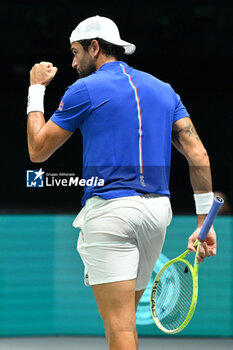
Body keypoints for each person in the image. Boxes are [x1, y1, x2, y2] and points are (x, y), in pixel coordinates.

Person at [27, 15, 217, 350]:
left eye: (76, 52)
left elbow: (37, 150)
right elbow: (198, 154)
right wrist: (204, 224)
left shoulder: (83, 89)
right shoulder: (164, 90)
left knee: (120, 328)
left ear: (95, 47)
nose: (72, 62)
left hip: (112, 213)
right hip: (158, 214)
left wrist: (36, 89)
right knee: (126, 322)